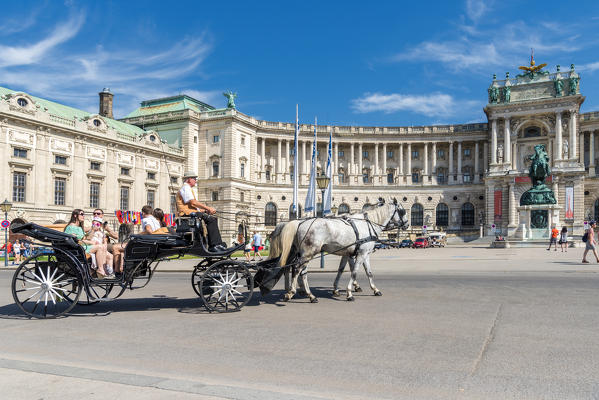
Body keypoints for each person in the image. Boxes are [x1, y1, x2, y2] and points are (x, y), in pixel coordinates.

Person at [176, 171, 226, 252]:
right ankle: (214, 245)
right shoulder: (186, 188)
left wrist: (205, 211)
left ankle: (217, 244)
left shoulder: (188, 188)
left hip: (191, 213)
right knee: (211, 220)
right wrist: (208, 208)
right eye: (194, 179)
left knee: (213, 219)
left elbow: (192, 205)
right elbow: (193, 202)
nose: (196, 180)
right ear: (189, 179)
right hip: (187, 214)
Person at [64, 209, 109, 278]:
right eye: (81, 214)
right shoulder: (71, 227)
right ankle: (100, 270)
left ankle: (102, 270)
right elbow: (76, 241)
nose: (83, 216)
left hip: (83, 246)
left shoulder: (79, 227)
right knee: (100, 247)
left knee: (102, 246)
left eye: (84, 214)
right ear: (75, 215)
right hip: (77, 249)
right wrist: (91, 242)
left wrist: (93, 231)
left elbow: (84, 238)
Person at [93, 209, 125, 274]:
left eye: (98, 214)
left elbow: (116, 236)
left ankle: (119, 268)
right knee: (115, 247)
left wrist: (108, 229)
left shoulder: (104, 225)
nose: (96, 215)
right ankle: (116, 271)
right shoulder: (90, 222)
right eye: (94, 213)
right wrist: (94, 227)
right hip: (96, 243)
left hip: (105, 243)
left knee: (120, 248)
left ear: (102, 215)